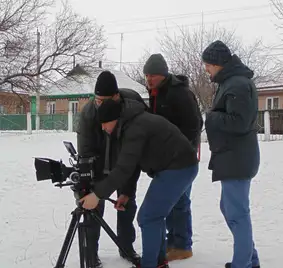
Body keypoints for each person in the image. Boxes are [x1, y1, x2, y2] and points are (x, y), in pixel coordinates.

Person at [79, 97, 199, 268]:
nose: (103, 128)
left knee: (148, 217)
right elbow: (132, 164)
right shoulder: (129, 124)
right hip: (177, 166)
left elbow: (123, 168)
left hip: (178, 167)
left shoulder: (135, 128)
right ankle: (158, 262)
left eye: (105, 123)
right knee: (154, 215)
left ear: (114, 118)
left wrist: (97, 194)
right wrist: (126, 192)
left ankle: (151, 264)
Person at [76, 71, 147, 267]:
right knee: (93, 207)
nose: (100, 104)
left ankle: (126, 247)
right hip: (97, 169)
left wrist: (127, 190)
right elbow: (85, 151)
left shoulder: (131, 111)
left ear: (116, 97)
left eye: (104, 100)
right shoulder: (89, 114)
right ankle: (91, 253)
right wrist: (88, 185)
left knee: (127, 205)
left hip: (123, 167)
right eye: (97, 100)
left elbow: (135, 156)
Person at [201, 40, 261, 268]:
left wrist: (212, 116)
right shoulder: (231, 82)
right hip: (233, 157)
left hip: (237, 158)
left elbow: (240, 122)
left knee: (237, 213)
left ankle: (243, 263)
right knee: (230, 209)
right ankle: (250, 259)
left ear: (218, 63)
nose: (206, 68)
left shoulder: (237, 84)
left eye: (207, 64)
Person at [143, 53, 203, 261]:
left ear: (163, 75)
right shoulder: (156, 93)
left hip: (181, 159)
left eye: (153, 75)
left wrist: (181, 149)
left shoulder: (179, 93)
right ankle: (175, 241)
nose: (149, 79)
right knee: (175, 200)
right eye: (147, 75)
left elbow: (195, 125)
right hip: (166, 158)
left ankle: (182, 244)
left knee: (180, 200)